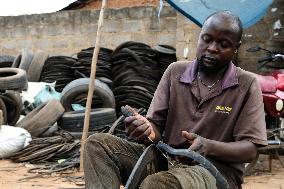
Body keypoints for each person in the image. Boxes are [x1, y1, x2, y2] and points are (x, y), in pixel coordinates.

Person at [83, 10, 267, 189]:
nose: (212, 48)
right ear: (200, 37)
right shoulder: (175, 72)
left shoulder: (246, 84)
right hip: (166, 160)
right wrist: (146, 129)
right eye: (207, 39)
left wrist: (208, 147)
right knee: (98, 145)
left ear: (236, 48)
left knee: (159, 183)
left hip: (214, 173)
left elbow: (250, 150)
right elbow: (156, 128)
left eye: (223, 44)